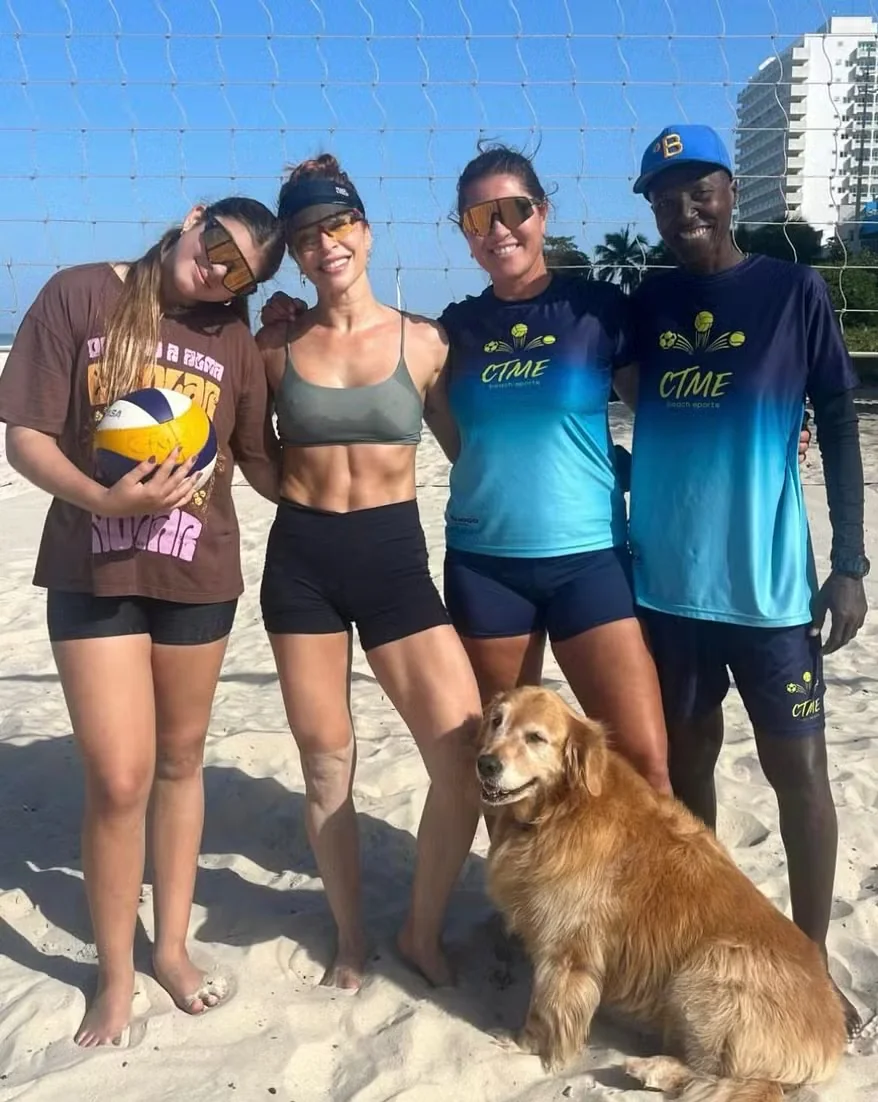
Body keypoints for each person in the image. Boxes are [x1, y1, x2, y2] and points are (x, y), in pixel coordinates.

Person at [0, 197, 286, 1046]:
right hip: (92, 567)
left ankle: (169, 949)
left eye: (240, 273)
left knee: (179, 761)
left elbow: (263, 461)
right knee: (119, 779)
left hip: (197, 573)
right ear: (193, 218)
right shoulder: (78, 294)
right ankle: (116, 974)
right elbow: (25, 436)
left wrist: (348, 467)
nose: (218, 271)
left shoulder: (232, 339)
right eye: (217, 246)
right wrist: (101, 499)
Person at [625, 123, 869, 1036]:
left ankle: (810, 961)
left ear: (732, 191)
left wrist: (849, 564)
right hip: (665, 589)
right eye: (664, 196)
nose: (684, 208)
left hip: (768, 592)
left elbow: (838, 423)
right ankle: (706, 936)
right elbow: (580, 380)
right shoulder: (647, 300)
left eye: (700, 189)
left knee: (797, 771)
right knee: (686, 772)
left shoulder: (793, 290)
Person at [255, 156, 482, 992]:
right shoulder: (274, 344)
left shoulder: (427, 343)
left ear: (367, 230)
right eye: (307, 237)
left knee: (462, 759)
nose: (327, 245)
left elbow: (473, 450)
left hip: (394, 562)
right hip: (302, 563)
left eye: (338, 225)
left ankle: (421, 930)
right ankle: (350, 938)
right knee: (326, 763)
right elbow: (252, 451)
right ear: (295, 255)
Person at [437, 144, 673, 795]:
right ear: (465, 234)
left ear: (542, 212)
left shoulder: (596, 310)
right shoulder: (455, 329)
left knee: (642, 764)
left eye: (513, 210)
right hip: (486, 564)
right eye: (477, 218)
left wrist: (786, 422)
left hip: (589, 559)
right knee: (502, 773)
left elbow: (664, 412)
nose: (498, 229)